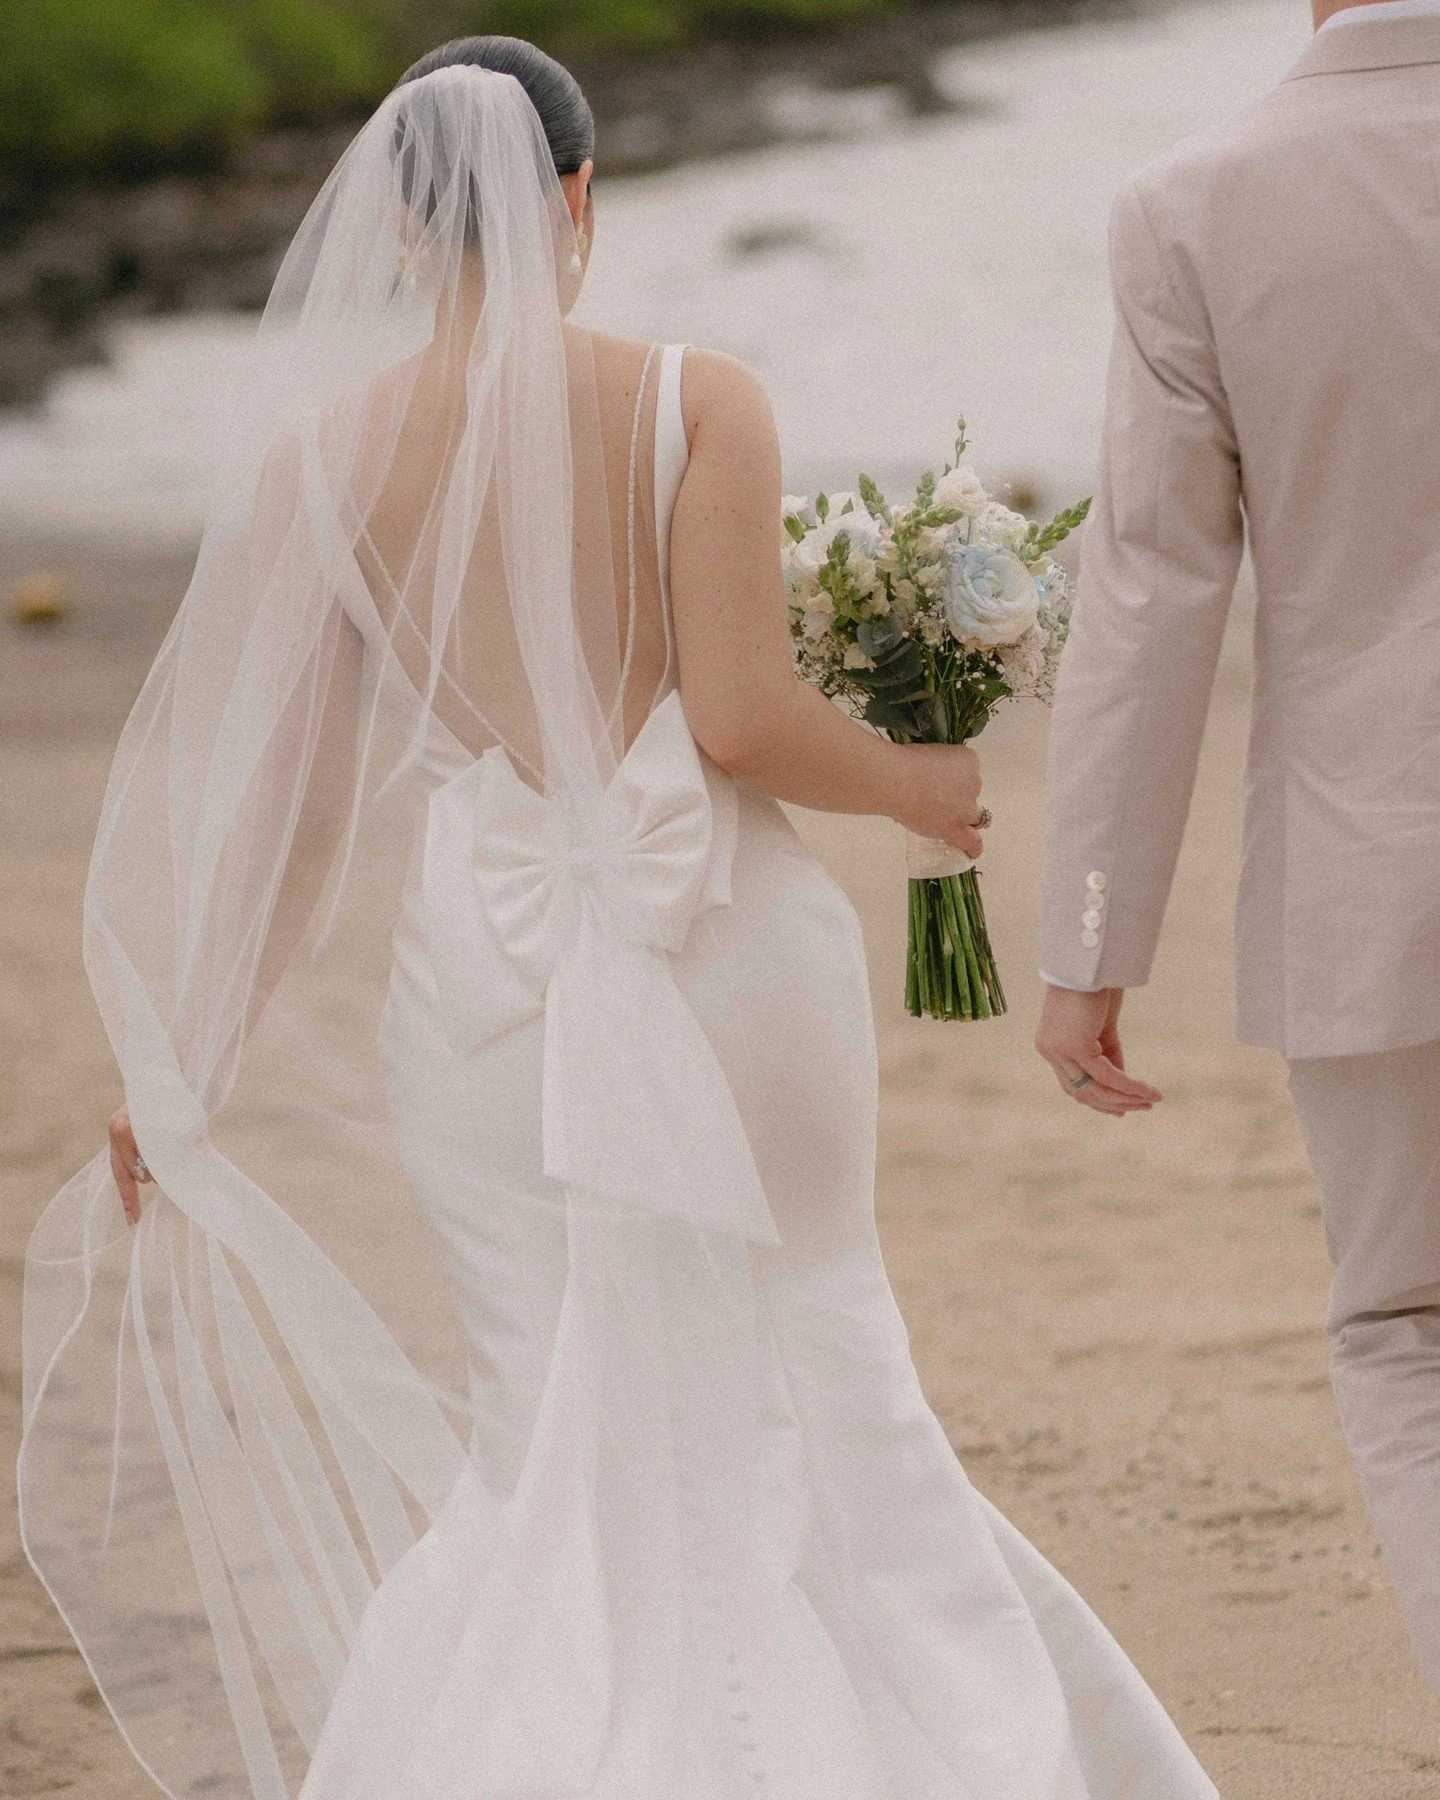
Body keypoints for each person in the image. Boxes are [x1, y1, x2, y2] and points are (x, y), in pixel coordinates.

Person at [24, 36, 1216, 1799]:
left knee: (545, 1427)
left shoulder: (324, 463)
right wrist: (917, 788)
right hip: (728, 956)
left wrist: (183, 1045)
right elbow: (738, 721)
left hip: (480, 998)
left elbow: (289, 817)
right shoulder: (696, 398)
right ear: (579, 195)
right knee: (820, 1346)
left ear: (407, 232)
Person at [1036, 0, 1440, 1699]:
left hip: (1374, 861)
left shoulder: (1192, 203)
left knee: (1405, 1327)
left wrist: (1090, 934)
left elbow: (1151, 592)